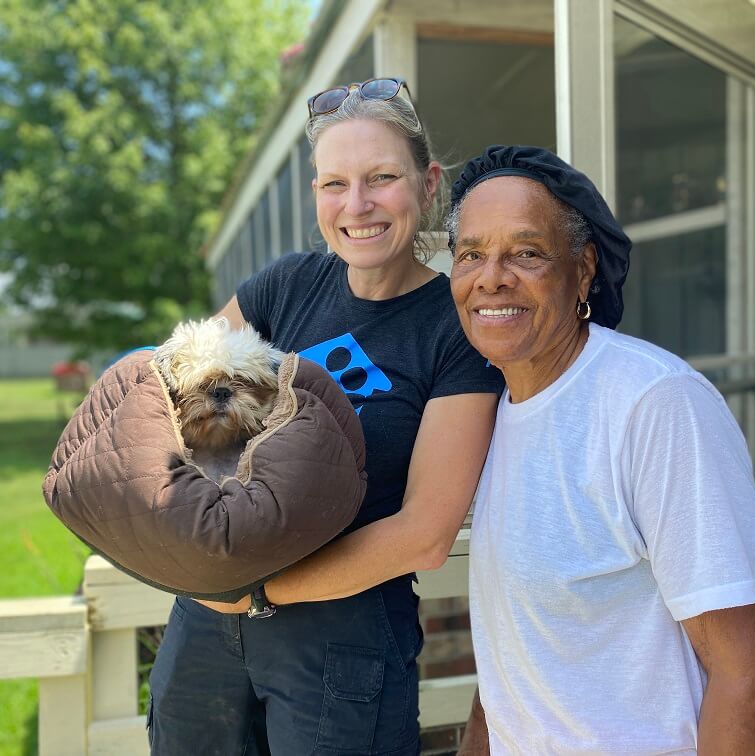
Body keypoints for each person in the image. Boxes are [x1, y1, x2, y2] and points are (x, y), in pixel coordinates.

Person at [147, 79, 505, 755]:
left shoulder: (456, 329)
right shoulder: (285, 285)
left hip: (342, 643)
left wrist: (253, 593)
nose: (357, 205)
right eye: (333, 184)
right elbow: (169, 391)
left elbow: (424, 535)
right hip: (206, 632)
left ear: (428, 185)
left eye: (382, 178)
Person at [446, 145, 755, 755]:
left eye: (526, 253)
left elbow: (750, 672)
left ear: (582, 272)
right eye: (471, 253)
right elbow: (516, 657)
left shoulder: (655, 404)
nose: (491, 276)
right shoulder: (492, 411)